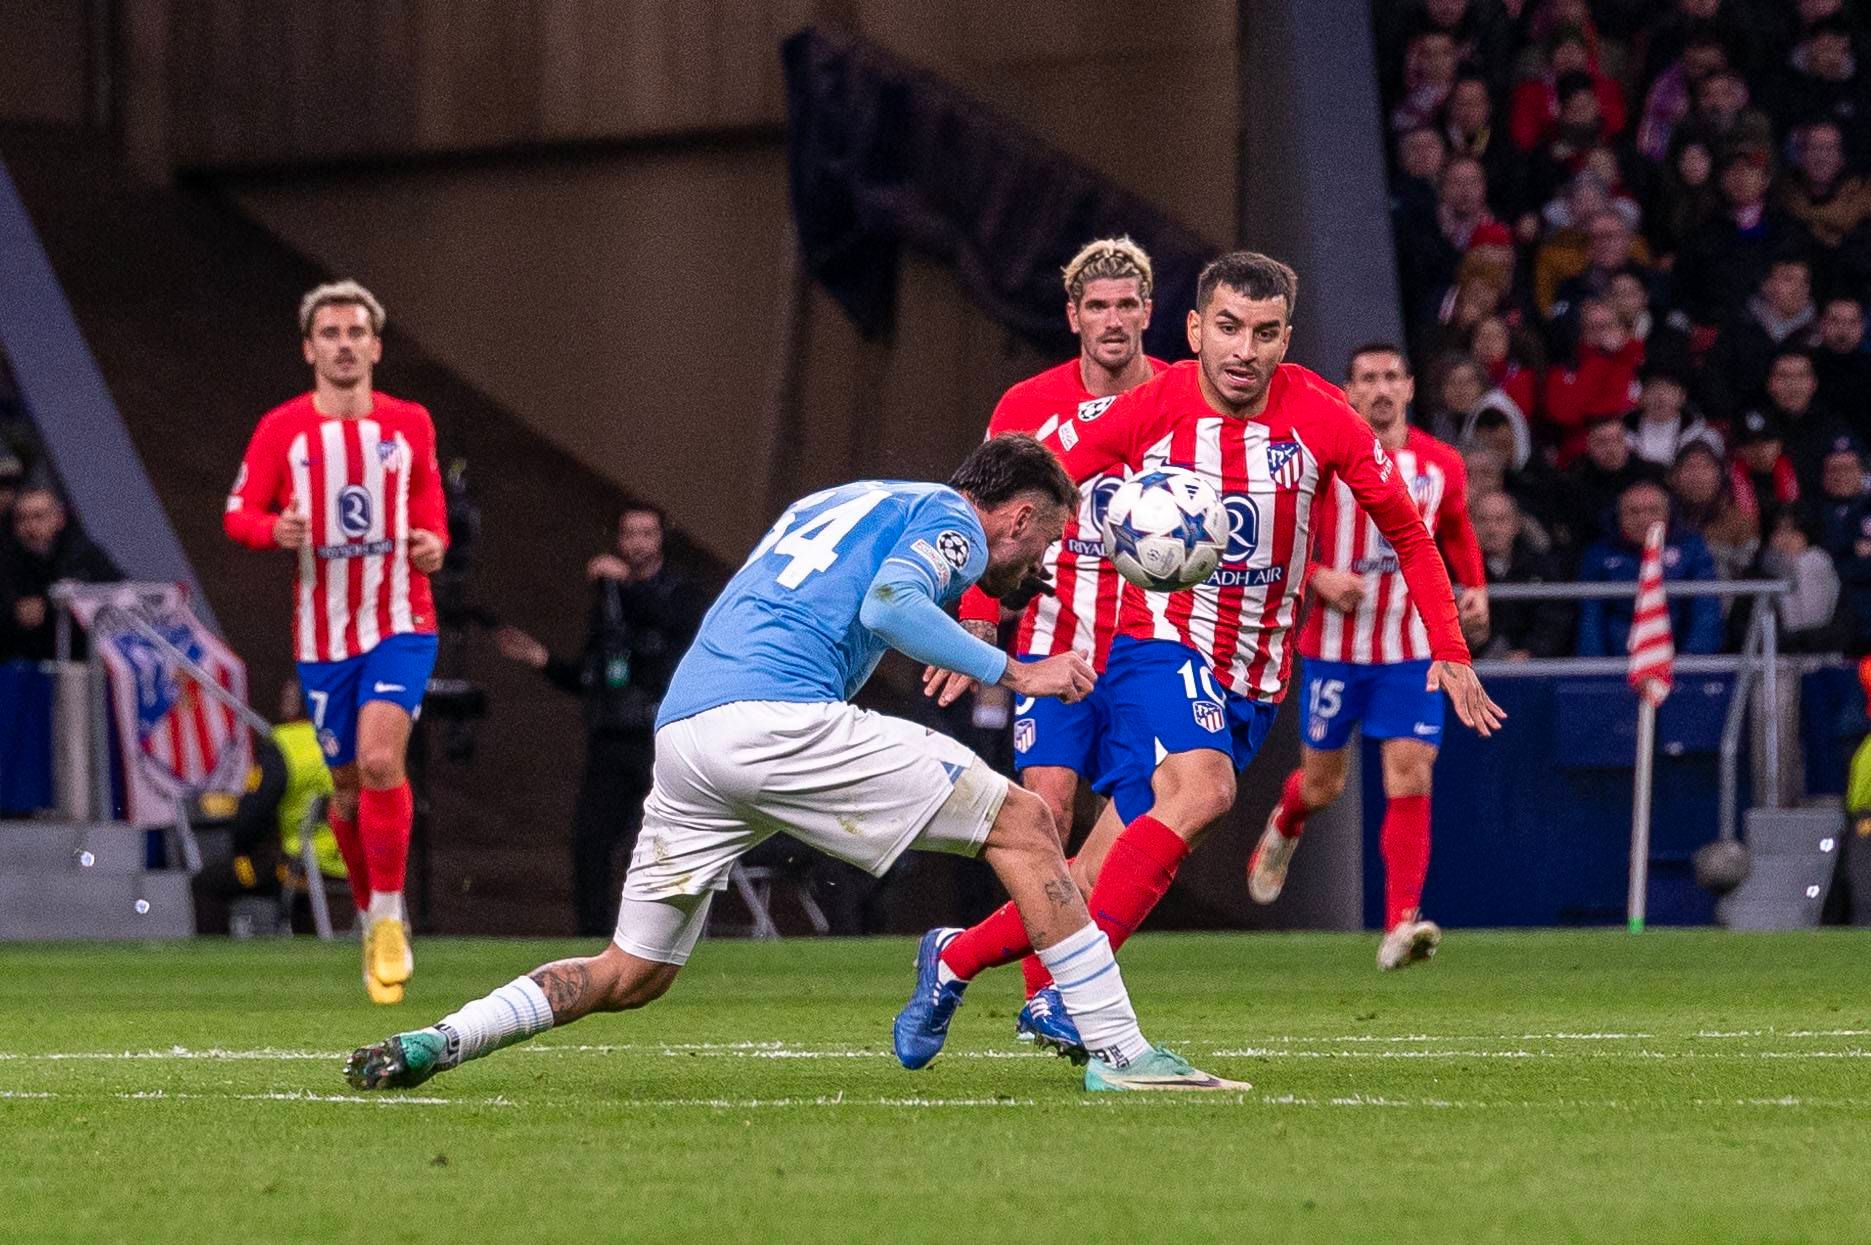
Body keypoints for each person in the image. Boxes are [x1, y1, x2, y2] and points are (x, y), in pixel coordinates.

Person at [345, 435, 1245, 1094]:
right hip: (776, 721)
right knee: (1028, 822)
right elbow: (894, 603)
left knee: (633, 972)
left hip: (690, 734)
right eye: (1040, 542)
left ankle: (442, 1039)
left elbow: (839, 594)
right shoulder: (952, 520)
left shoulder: (839, 498)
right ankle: (1123, 1054)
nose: (1035, 564)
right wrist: (1017, 670)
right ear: (1015, 514)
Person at [898, 252, 1504, 1062]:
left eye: (1262, 332)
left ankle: (952, 956)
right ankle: (1082, 1000)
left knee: (1090, 869)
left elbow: (1405, 529)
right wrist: (973, 603)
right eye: (1226, 328)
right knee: (1205, 788)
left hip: (1253, 676)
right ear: (1193, 330)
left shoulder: (1324, 417)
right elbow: (1029, 498)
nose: (1242, 349)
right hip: (1157, 645)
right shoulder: (1148, 407)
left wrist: (1450, 649)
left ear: (1285, 338)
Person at [224, 280, 448, 1006]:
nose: (345, 343)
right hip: (324, 636)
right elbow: (238, 511)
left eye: (356, 331)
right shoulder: (282, 429)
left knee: (382, 759)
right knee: (347, 794)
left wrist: (431, 544)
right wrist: (272, 530)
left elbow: (427, 502)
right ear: (310, 348)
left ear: (376, 346)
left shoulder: (409, 422)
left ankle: (388, 917)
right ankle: (372, 914)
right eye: (331, 332)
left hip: (400, 621)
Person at [1246, 343, 1488, 969]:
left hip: (1410, 650)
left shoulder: (1440, 465)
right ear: (1347, 392)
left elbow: (1455, 529)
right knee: (1324, 786)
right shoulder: (1323, 461)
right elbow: (1281, 539)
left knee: (1410, 774)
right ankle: (1288, 819)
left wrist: (1476, 587)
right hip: (1333, 649)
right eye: (1367, 380)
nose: (1380, 389)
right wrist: (1319, 576)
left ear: (1409, 387)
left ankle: (1399, 924)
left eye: (1391, 378)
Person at [497, 504, 704, 936]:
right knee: (591, 840)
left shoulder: (679, 592)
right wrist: (544, 661)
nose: (637, 543)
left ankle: (665, 936)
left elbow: (669, 632)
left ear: (662, 538)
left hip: (659, 735)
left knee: (662, 841)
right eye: (630, 533)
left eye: (647, 533)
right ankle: (594, 936)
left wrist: (625, 585)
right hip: (611, 736)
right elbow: (597, 672)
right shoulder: (610, 597)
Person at [1576, 481, 1723, 656]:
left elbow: (1706, 610)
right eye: (1633, 512)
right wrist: (1595, 670)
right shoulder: (1598, 554)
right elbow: (1590, 619)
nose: (1643, 519)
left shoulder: (1693, 549)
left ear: (1668, 514)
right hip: (1616, 665)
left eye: (1653, 511)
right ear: (1619, 516)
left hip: (1681, 664)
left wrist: (1692, 662)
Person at [0, 484, 121, 662]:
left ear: (59, 519)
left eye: (38, 517)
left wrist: (49, 605)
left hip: (81, 660)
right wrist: (13, 612)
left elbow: (117, 593)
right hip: (25, 662)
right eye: (21, 519)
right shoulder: (8, 557)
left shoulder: (83, 553)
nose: (30, 527)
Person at [1468, 489, 1575, 659]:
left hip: (1531, 669)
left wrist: (1531, 652)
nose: (1492, 529)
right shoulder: (1453, 569)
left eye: (1501, 520)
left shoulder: (1543, 567)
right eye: (1482, 520)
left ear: (1516, 524)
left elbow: (1556, 619)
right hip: (1470, 666)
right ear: (1469, 524)